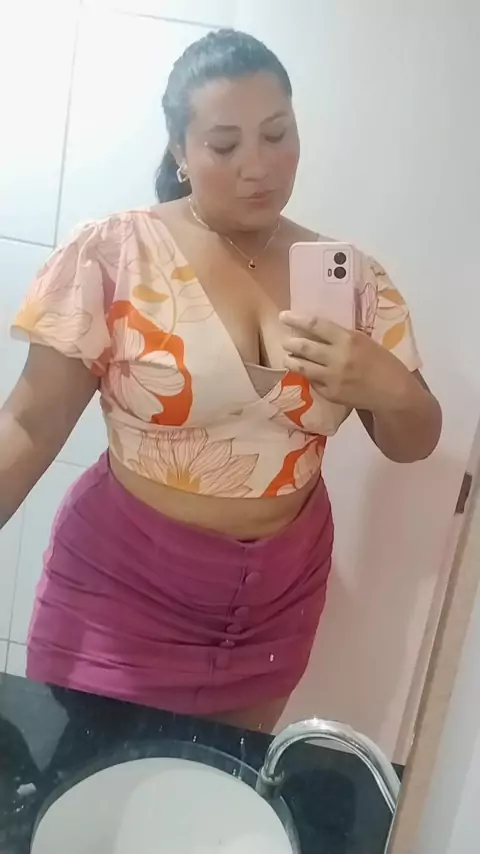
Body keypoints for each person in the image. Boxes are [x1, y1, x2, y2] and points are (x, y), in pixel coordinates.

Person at [0, 29, 441, 733]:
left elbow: (414, 440)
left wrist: (386, 385)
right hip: (120, 594)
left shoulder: (354, 280)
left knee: (216, 785)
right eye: (224, 145)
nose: (258, 166)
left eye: (277, 134)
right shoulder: (115, 253)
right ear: (180, 151)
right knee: (83, 786)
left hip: (274, 609)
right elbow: (28, 423)